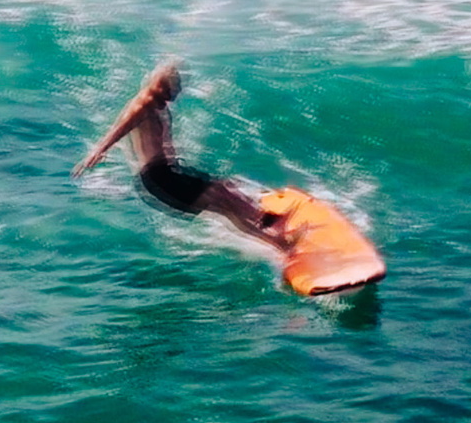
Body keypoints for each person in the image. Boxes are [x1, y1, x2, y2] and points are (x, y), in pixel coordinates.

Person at [74, 62, 387, 296]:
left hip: (168, 174)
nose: (175, 95)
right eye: (172, 89)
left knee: (226, 195)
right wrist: (97, 152)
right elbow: (123, 124)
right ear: (160, 86)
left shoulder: (155, 105)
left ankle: (271, 232)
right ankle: (278, 240)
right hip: (161, 179)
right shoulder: (144, 104)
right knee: (224, 200)